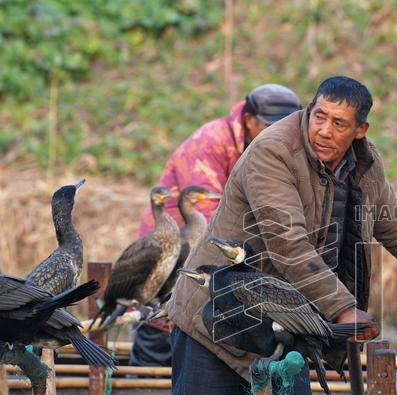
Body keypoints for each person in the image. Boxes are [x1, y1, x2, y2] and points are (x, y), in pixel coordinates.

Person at [161, 76, 397, 395]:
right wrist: (344, 310)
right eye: (319, 117)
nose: (324, 131)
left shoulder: (364, 164)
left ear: (360, 130)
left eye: (339, 124)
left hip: (279, 328)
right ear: (309, 110)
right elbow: (288, 245)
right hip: (216, 317)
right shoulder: (273, 151)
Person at [129, 84, 303, 367]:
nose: (279, 134)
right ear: (249, 119)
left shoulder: (270, 148)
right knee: (161, 334)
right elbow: (208, 221)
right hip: (173, 249)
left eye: (286, 128)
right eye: (271, 126)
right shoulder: (209, 143)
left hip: (219, 253)